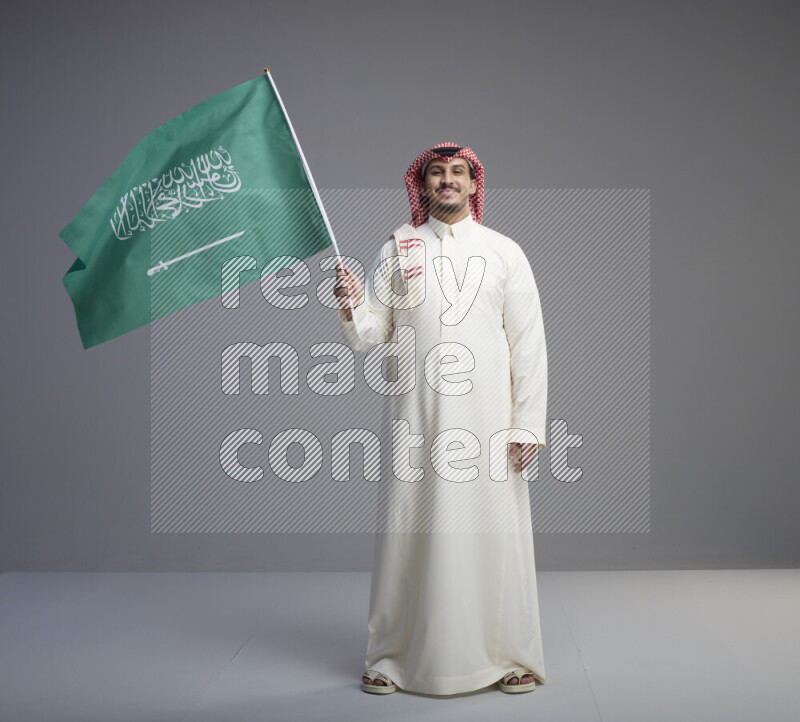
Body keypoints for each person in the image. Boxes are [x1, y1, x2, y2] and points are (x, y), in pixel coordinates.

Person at [335, 142, 548, 696]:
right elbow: (370, 333)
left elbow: (528, 344)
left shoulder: (505, 252)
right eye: (437, 174)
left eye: (458, 173)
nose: (447, 181)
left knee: (493, 534)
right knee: (410, 530)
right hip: (417, 419)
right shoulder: (398, 247)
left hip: (489, 423)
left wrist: (528, 423)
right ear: (422, 186)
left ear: (474, 185)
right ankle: (391, 658)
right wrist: (353, 301)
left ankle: (507, 657)